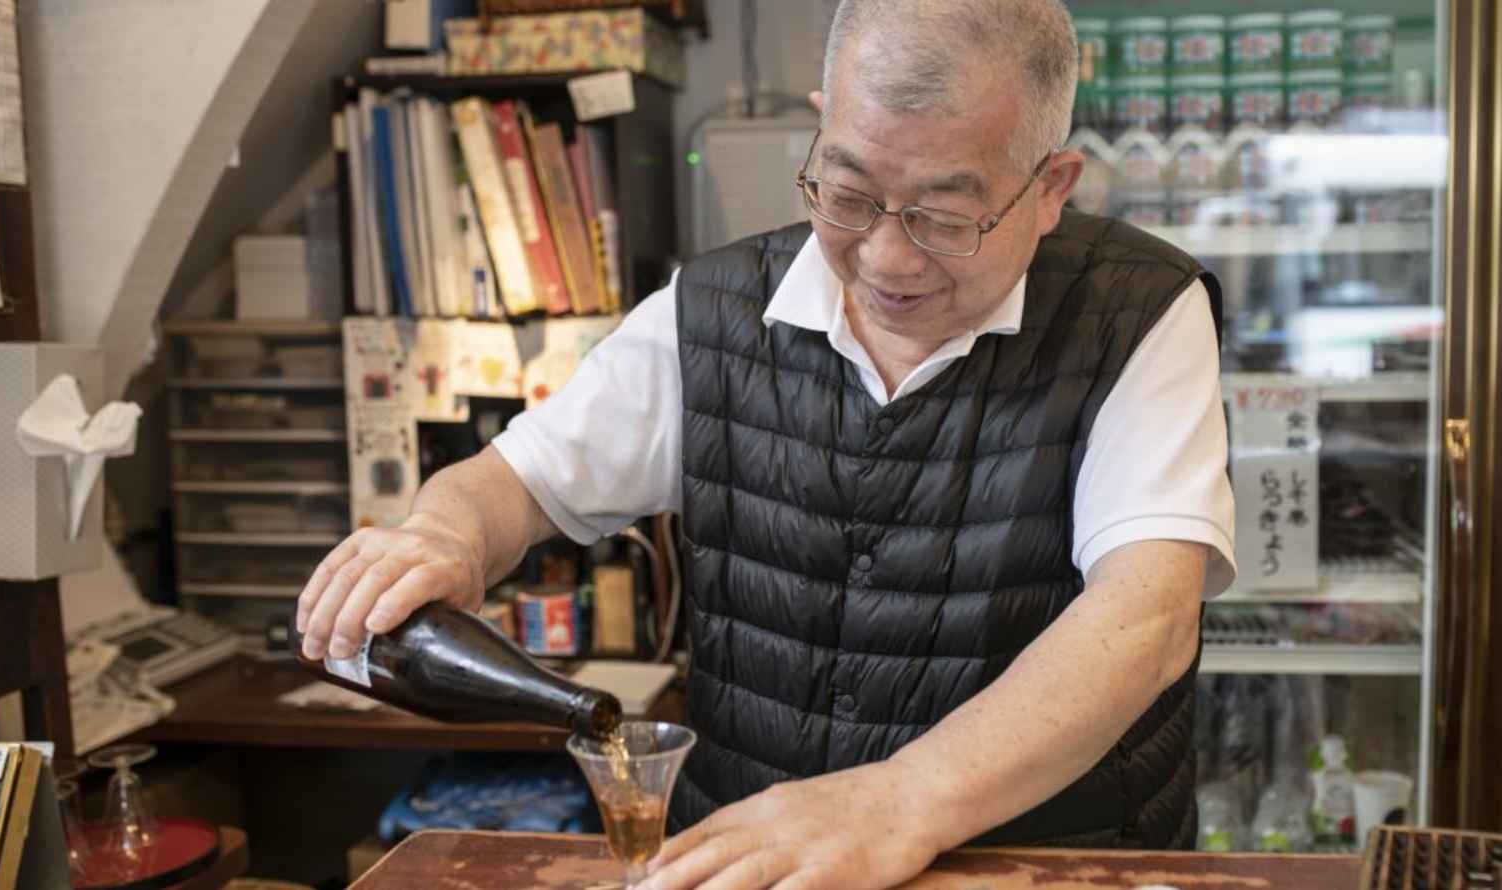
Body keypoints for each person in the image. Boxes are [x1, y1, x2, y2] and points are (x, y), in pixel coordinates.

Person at [297, 0, 1236, 886]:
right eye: (850, 193)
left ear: (1049, 189)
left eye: (946, 216)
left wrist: (901, 800)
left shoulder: (1139, 312)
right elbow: (517, 480)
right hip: (753, 862)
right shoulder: (713, 305)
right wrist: (443, 535)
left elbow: (1144, 619)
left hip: (1045, 864)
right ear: (823, 130)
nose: (886, 259)